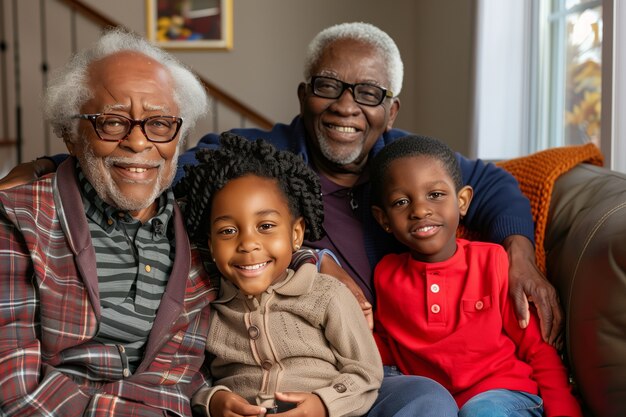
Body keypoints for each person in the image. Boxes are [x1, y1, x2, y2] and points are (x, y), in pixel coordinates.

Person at [0, 22, 564, 346]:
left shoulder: (407, 163)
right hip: (293, 355)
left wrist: (520, 253)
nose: (346, 106)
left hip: (400, 359)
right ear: (302, 95)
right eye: (328, 85)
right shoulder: (257, 156)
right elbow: (151, 159)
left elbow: (491, 184)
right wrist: (59, 164)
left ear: (390, 112)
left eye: (368, 94)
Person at [0, 28, 216, 416]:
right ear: (71, 135)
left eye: (161, 123)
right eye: (113, 122)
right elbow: (13, 390)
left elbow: (183, 377)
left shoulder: (204, 230)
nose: (138, 142)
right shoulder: (17, 219)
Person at [369, 135, 582, 417]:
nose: (419, 210)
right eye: (401, 202)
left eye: (435, 195)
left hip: (503, 395)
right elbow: (384, 346)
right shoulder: (386, 275)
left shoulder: (493, 262)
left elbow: (538, 350)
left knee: (481, 412)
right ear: (383, 219)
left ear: (462, 201)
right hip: (435, 401)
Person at [177, 133, 383, 417]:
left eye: (265, 226)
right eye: (228, 231)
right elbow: (188, 377)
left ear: (296, 234)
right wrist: (213, 400)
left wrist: (324, 404)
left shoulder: (327, 294)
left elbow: (367, 373)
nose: (248, 243)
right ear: (211, 246)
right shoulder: (208, 310)